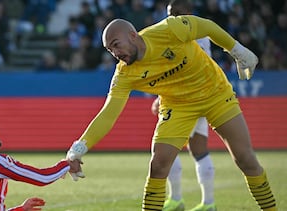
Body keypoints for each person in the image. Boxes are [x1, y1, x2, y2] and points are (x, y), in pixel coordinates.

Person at [66, 13, 277, 211]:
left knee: (245, 159)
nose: (115, 54)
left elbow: (207, 27)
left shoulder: (169, 29)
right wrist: (79, 148)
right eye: (110, 51)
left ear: (132, 35)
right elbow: (108, 113)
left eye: (116, 45)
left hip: (215, 94)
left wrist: (237, 50)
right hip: (178, 106)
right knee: (158, 165)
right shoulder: (124, 74)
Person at [150, 1, 215, 210]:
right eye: (169, 13)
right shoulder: (202, 31)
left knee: (167, 150)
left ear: (188, 12)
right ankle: (208, 203)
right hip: (203, 96)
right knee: (199, 150)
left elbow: (180, 68)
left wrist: (163, 96)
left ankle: (177, 199)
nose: (172, 17)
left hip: (182, 100)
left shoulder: (180, 34)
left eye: (176, 13)